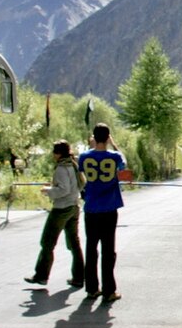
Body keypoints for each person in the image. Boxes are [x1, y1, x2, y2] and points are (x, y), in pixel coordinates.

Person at [24, 140, 85, 287]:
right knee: (74, 243)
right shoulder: (73, 165)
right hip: (74, 206)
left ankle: (41, 275)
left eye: (54, 152)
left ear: (58, 153)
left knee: (47, 242)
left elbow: (63, 189)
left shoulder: (61, 168)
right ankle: (79, 276)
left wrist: (48, 191)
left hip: (61, 208)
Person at [78, 123, 126, 303]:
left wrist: (93, 146)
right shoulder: (115, 156)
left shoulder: (84, 157)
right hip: (109, 207)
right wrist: (114, 145)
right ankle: (109, 290)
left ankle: (91, 288)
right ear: (107, 137)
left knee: (91, 249)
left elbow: (84, 168)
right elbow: (124, 167)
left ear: (93, 137)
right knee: (108, 250)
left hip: (91, 208)